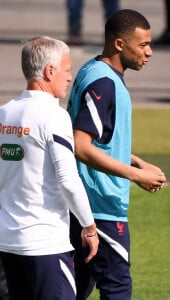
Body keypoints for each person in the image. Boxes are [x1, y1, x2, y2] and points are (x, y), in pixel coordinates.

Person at [67, 9, 167, 300]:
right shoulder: (104, 84)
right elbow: (80, 144)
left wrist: (134, 159)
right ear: (120, 45)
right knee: (117, 286)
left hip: (84, 202)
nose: (149, 52)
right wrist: (137, 175)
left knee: (77, 286)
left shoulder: (94, 70)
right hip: (101, 207)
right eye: (143, 45)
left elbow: (100, 137)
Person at [0, 36, 99, 300]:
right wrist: (89, 228)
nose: (69, 77)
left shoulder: (3, 113)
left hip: (8, 244)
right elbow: (68, 179)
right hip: (45, 244)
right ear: (50, 71)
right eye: (67, 69)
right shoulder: (54, 116)